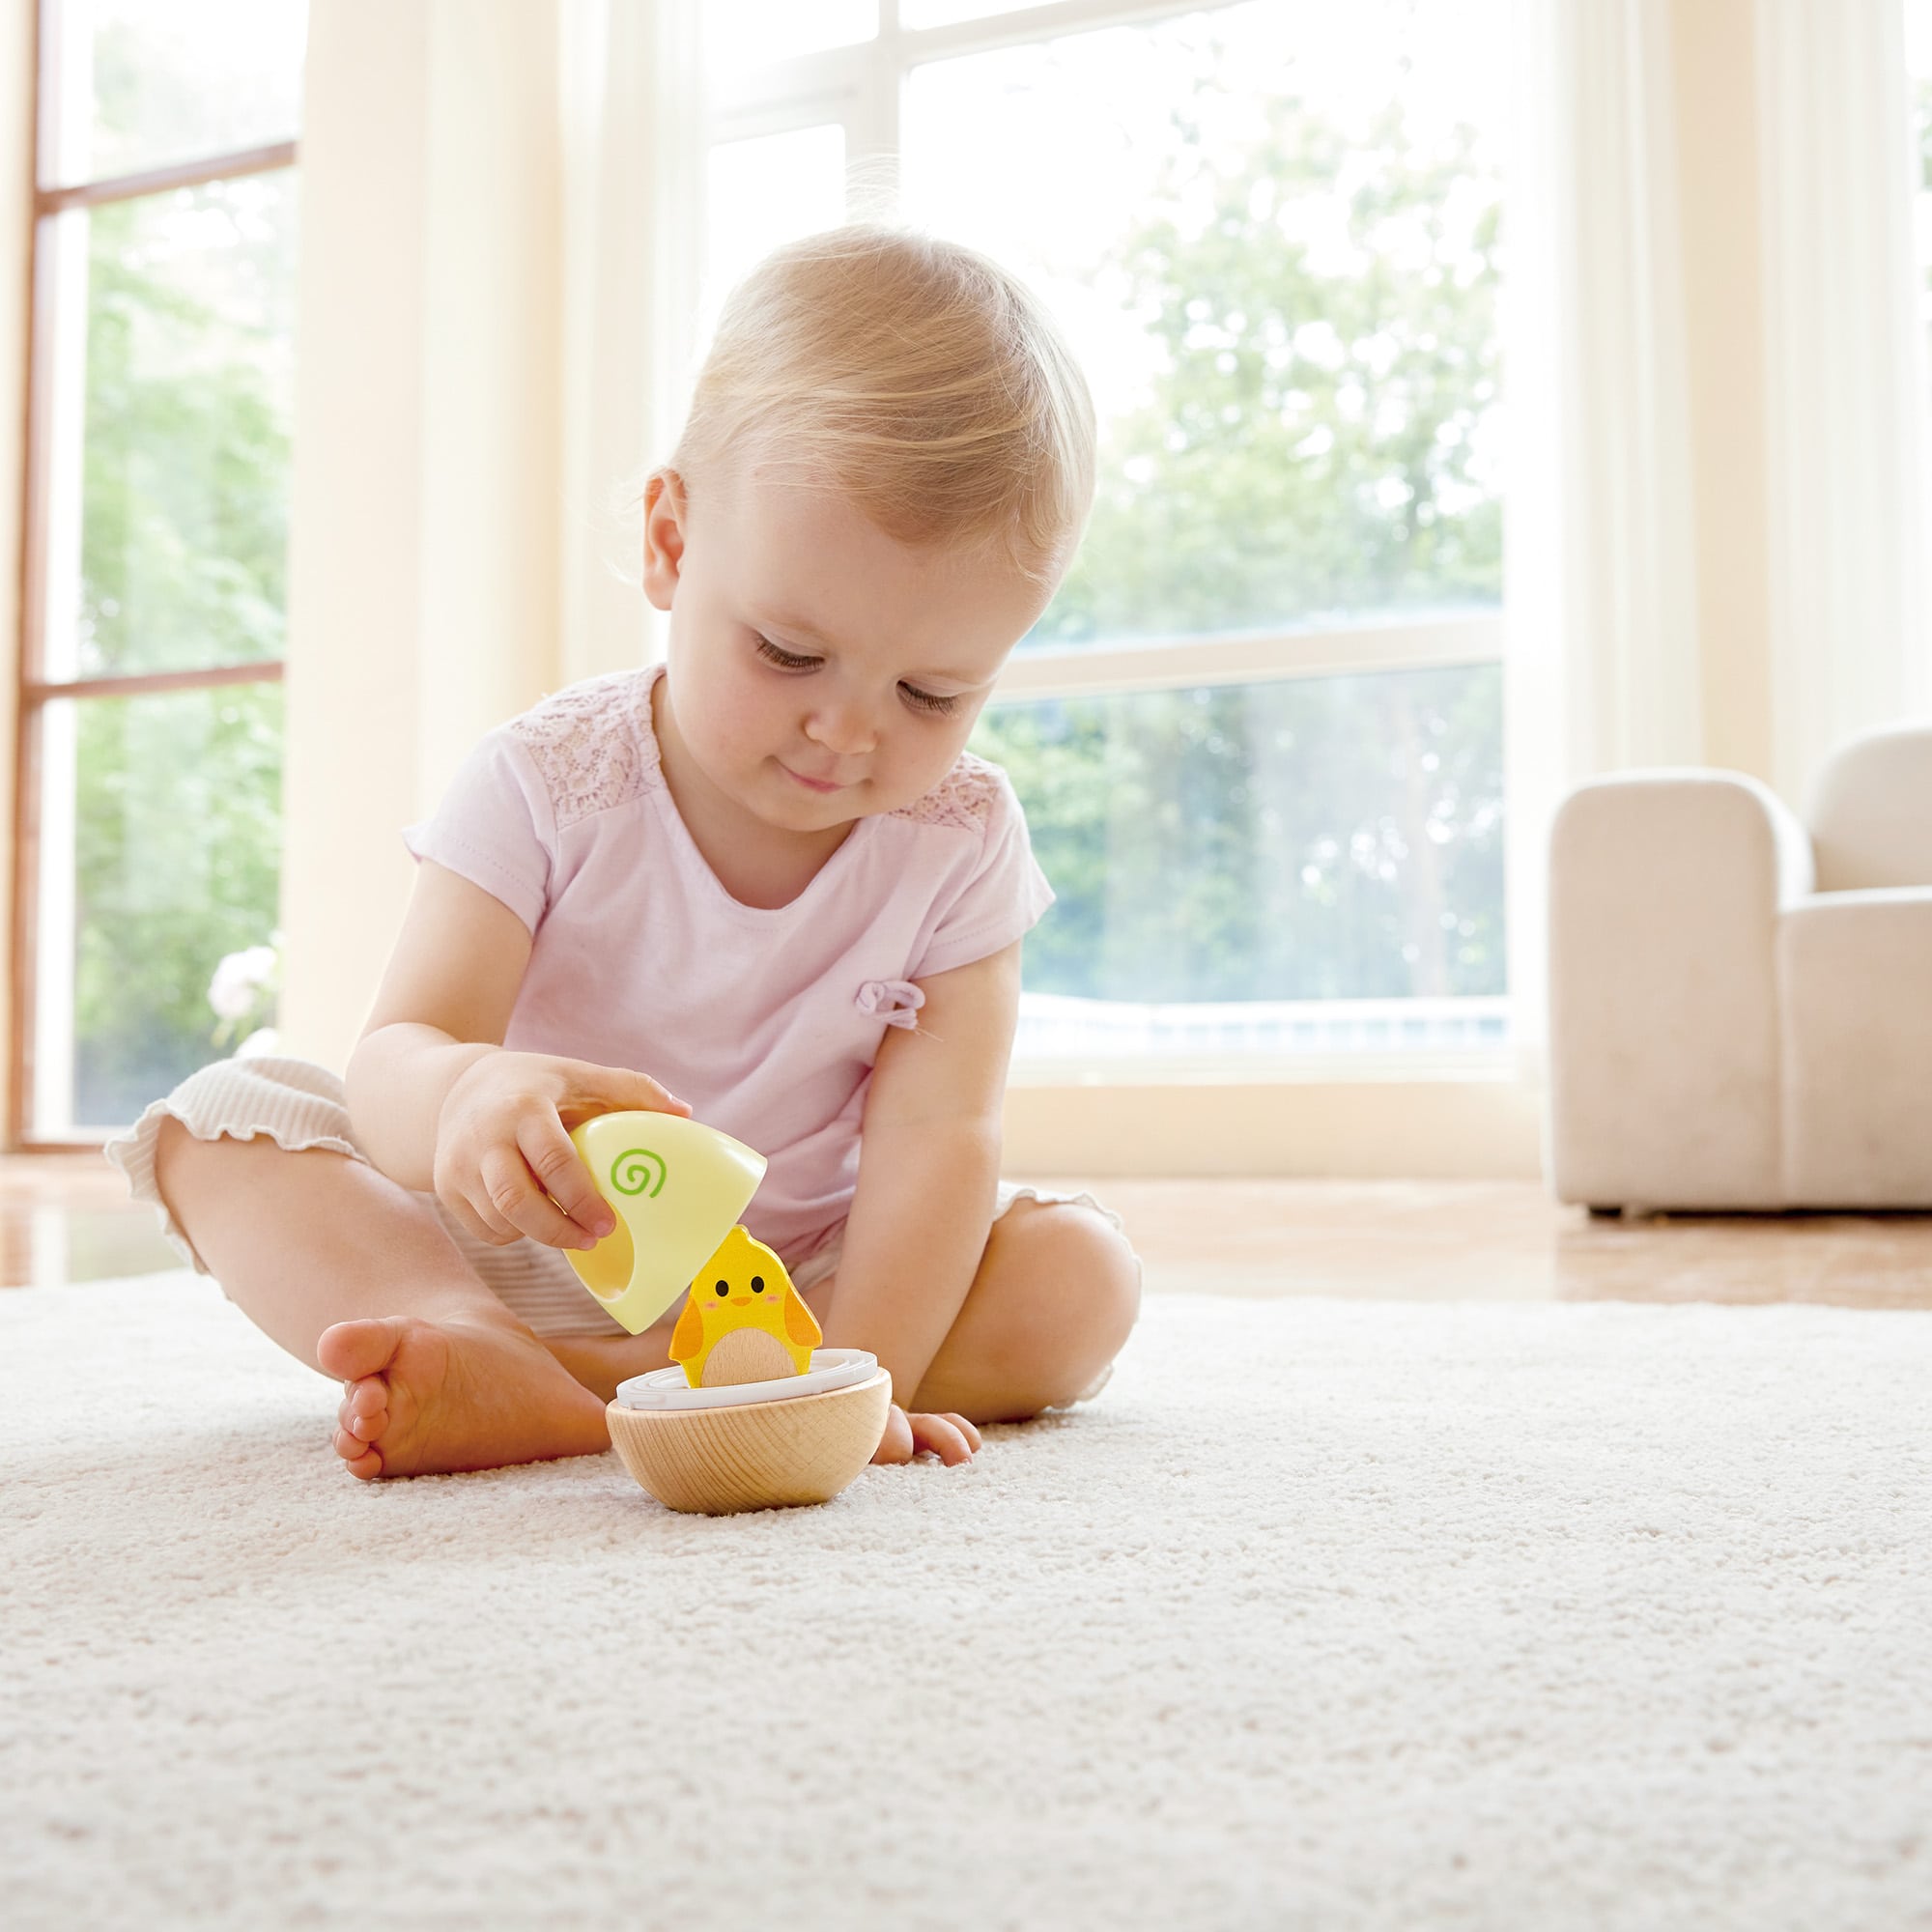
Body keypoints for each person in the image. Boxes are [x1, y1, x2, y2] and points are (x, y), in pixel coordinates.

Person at [103, 224, 1144, 1482]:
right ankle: (479, 1340)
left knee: (1081, 1278)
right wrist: (467, 1097)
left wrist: (859, 1376)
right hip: (518, 1247)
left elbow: (940, 1142)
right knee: (217, 1123)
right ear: (669, 542)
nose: (848, 730)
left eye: (932, 693)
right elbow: (392, 1064)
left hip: (802, 1286)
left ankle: (599, 1398)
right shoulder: (547, 779)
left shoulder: (961, 840)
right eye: (789, 654)